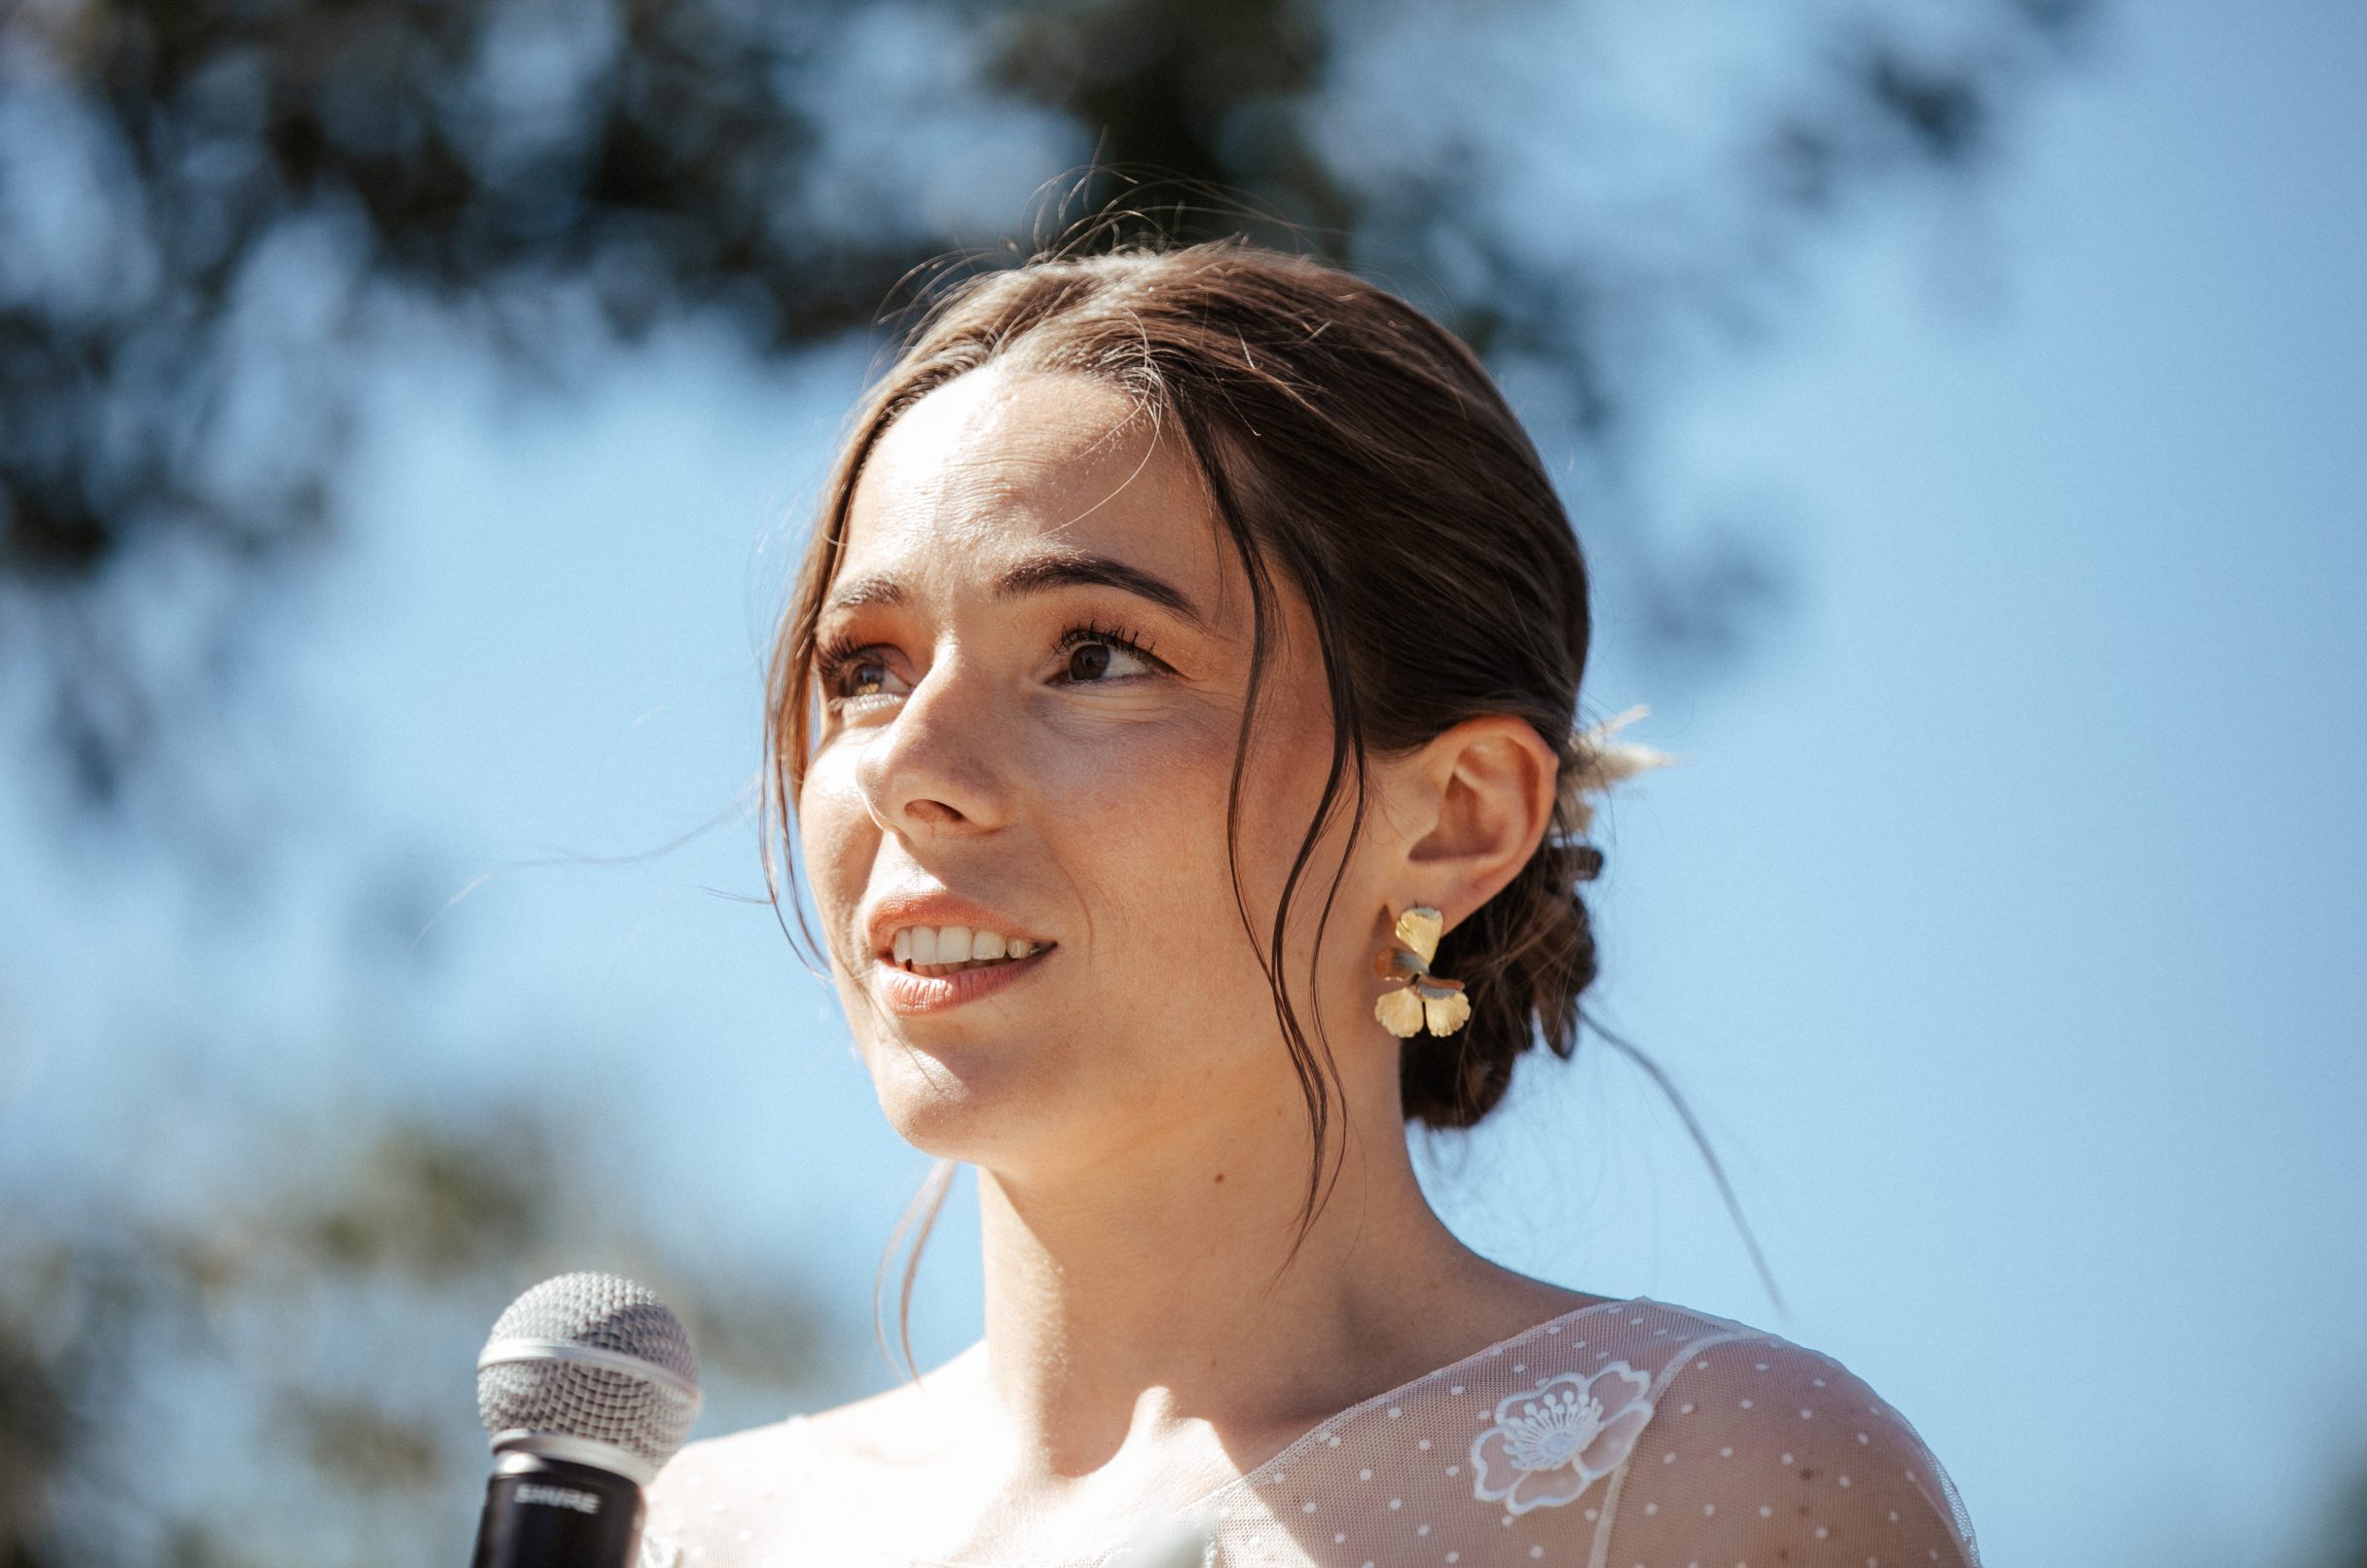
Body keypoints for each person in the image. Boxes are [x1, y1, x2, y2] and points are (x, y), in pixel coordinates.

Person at [642, 240, 1980, 1567]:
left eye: (1095, 655)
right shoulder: (671, 1534)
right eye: (867, 670)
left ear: (1459, 816)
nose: (909, 772)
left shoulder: (1716, 1480)